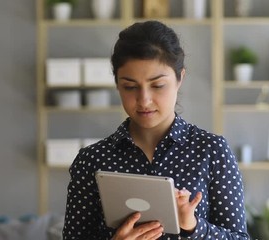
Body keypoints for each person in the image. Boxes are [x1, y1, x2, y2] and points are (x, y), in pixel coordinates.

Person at [62, 20, 249, 240]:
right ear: (117, 85)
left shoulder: (211, 151)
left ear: (180, 79)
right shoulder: (91, 160)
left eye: (158, 85)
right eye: (130, 87)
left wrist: (194, 226)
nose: (144, 100)